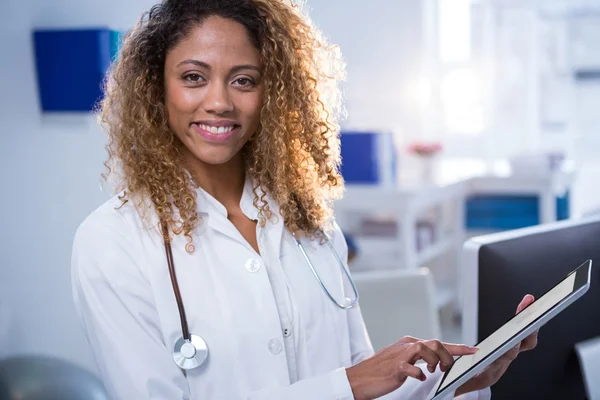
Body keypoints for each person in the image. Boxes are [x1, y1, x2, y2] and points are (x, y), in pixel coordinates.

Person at [71, 0, 539, 399]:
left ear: (273, 92)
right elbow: (352, 383)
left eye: (244, 80)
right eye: (193, 77)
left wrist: (457, 382)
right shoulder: (112, 242)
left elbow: (363, 379)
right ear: (157, 89)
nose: (218, 102)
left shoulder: (306, 219)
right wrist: (348, 385)